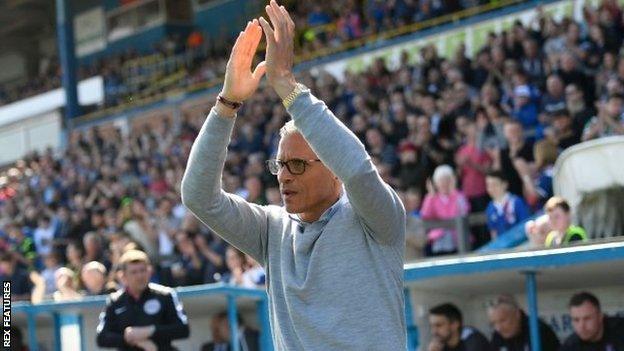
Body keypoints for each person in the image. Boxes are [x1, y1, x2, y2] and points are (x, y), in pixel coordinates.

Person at [181, 3, 406, 349]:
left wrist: (287, 86)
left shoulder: (375, 220)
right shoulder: (273, 230)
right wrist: (226, 104)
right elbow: (198, 197)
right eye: (280, 165)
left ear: (332, 167)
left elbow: (358, 170)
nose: (284, 177)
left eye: (297, 165)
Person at [96, 249, 190, 350]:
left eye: (143, 270)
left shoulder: (165, 295)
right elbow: (102, 337)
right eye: (134, 272)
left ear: (150, 271)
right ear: (123, 276)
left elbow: (183, 329)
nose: (140, 276)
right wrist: (131, 339)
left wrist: (150, 331)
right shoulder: (115, 301)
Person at [420, 165, 470, 255]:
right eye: (441, 180)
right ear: (436, 183)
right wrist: (430, 196)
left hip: (458, 238)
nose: (444, 183)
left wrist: (454, 192)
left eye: (447, 179)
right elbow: (424, 216)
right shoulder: (432, 198)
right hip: (439, 239)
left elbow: (464, 211)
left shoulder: (458, 196)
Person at [487, 294, 560, 351]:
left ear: (517, 314)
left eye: (502, 320)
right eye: (494, 323)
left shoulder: (537, 331)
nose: (498, 328)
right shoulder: (498, 336)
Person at [485, 170, 531, 239]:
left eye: (495, 184)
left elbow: (525, 224)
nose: (492, 189)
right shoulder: (490, 208)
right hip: (502, 247)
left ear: (505, 184)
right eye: (489, 185)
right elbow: (493, 233)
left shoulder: (516, 202)